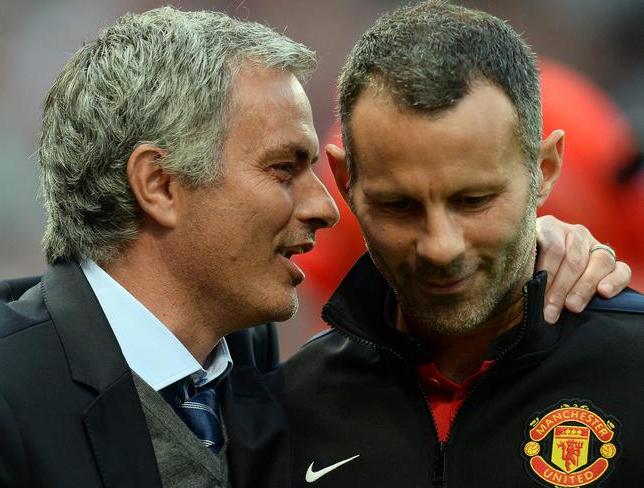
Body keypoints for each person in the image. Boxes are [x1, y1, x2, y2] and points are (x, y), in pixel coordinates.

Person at [0, 5, 631, 488]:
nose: (326, 205)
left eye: (475, 199)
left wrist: (525, 243)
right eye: (283, 168)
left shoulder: (246, 371)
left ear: (541, 173)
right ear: (160, 184)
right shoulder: (10, 384)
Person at [266, 2, 644, 487]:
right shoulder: (285, 411)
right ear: (344, 182)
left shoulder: (633, 371)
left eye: (474, 200)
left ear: (545, 170)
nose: (440, 248)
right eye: (399, 206)